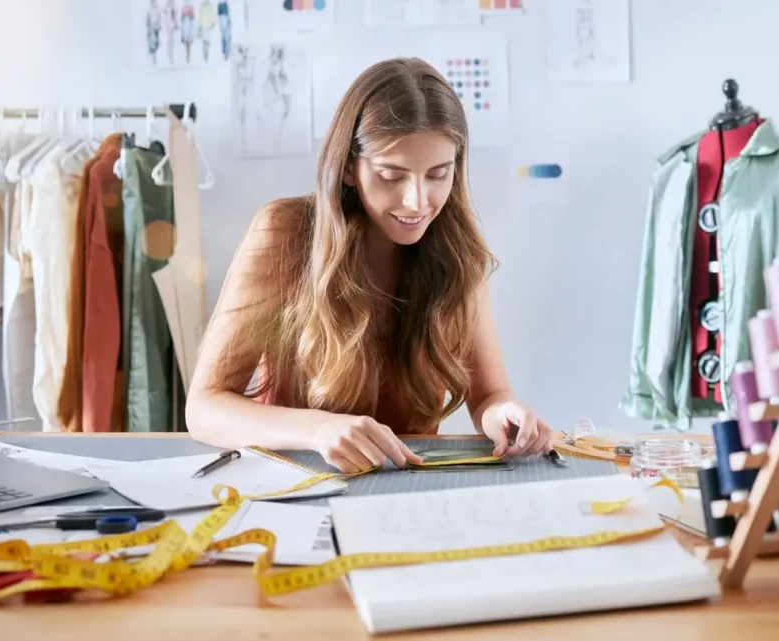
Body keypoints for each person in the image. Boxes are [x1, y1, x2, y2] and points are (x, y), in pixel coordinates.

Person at [186, 58, 554, 473]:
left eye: (438, 174)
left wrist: (506, 414)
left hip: (407, 487)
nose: (417, 201)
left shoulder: (457, 253)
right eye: (391, 176)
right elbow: (204, 407)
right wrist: (318, 430)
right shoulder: (284, 233)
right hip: (293, 483)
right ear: (348, 167)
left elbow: (488, 396)